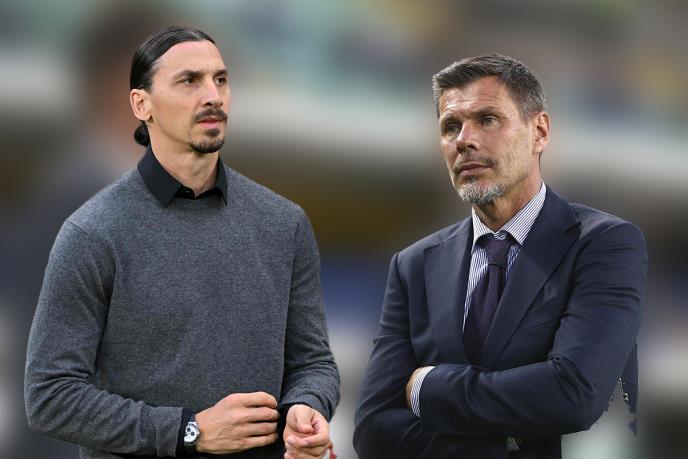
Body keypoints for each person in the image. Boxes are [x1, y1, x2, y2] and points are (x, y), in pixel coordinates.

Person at [25, 26, 339, 459]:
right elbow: (50, 397)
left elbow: (313, 363)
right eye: (189, 81)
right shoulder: (92, 233)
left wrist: (306, 407)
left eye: (221, 80)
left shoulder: (284, 224)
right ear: (141, 104)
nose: (213, 96)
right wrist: (188, 431)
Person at [353, 54, 646, 458]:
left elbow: (574, 393)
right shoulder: (413, 264)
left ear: (539, 132)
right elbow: (373, 430)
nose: (464, 140)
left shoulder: (604, 244)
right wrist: (509, 439)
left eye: (487, 119)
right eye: (450, 126)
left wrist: (426, 387)